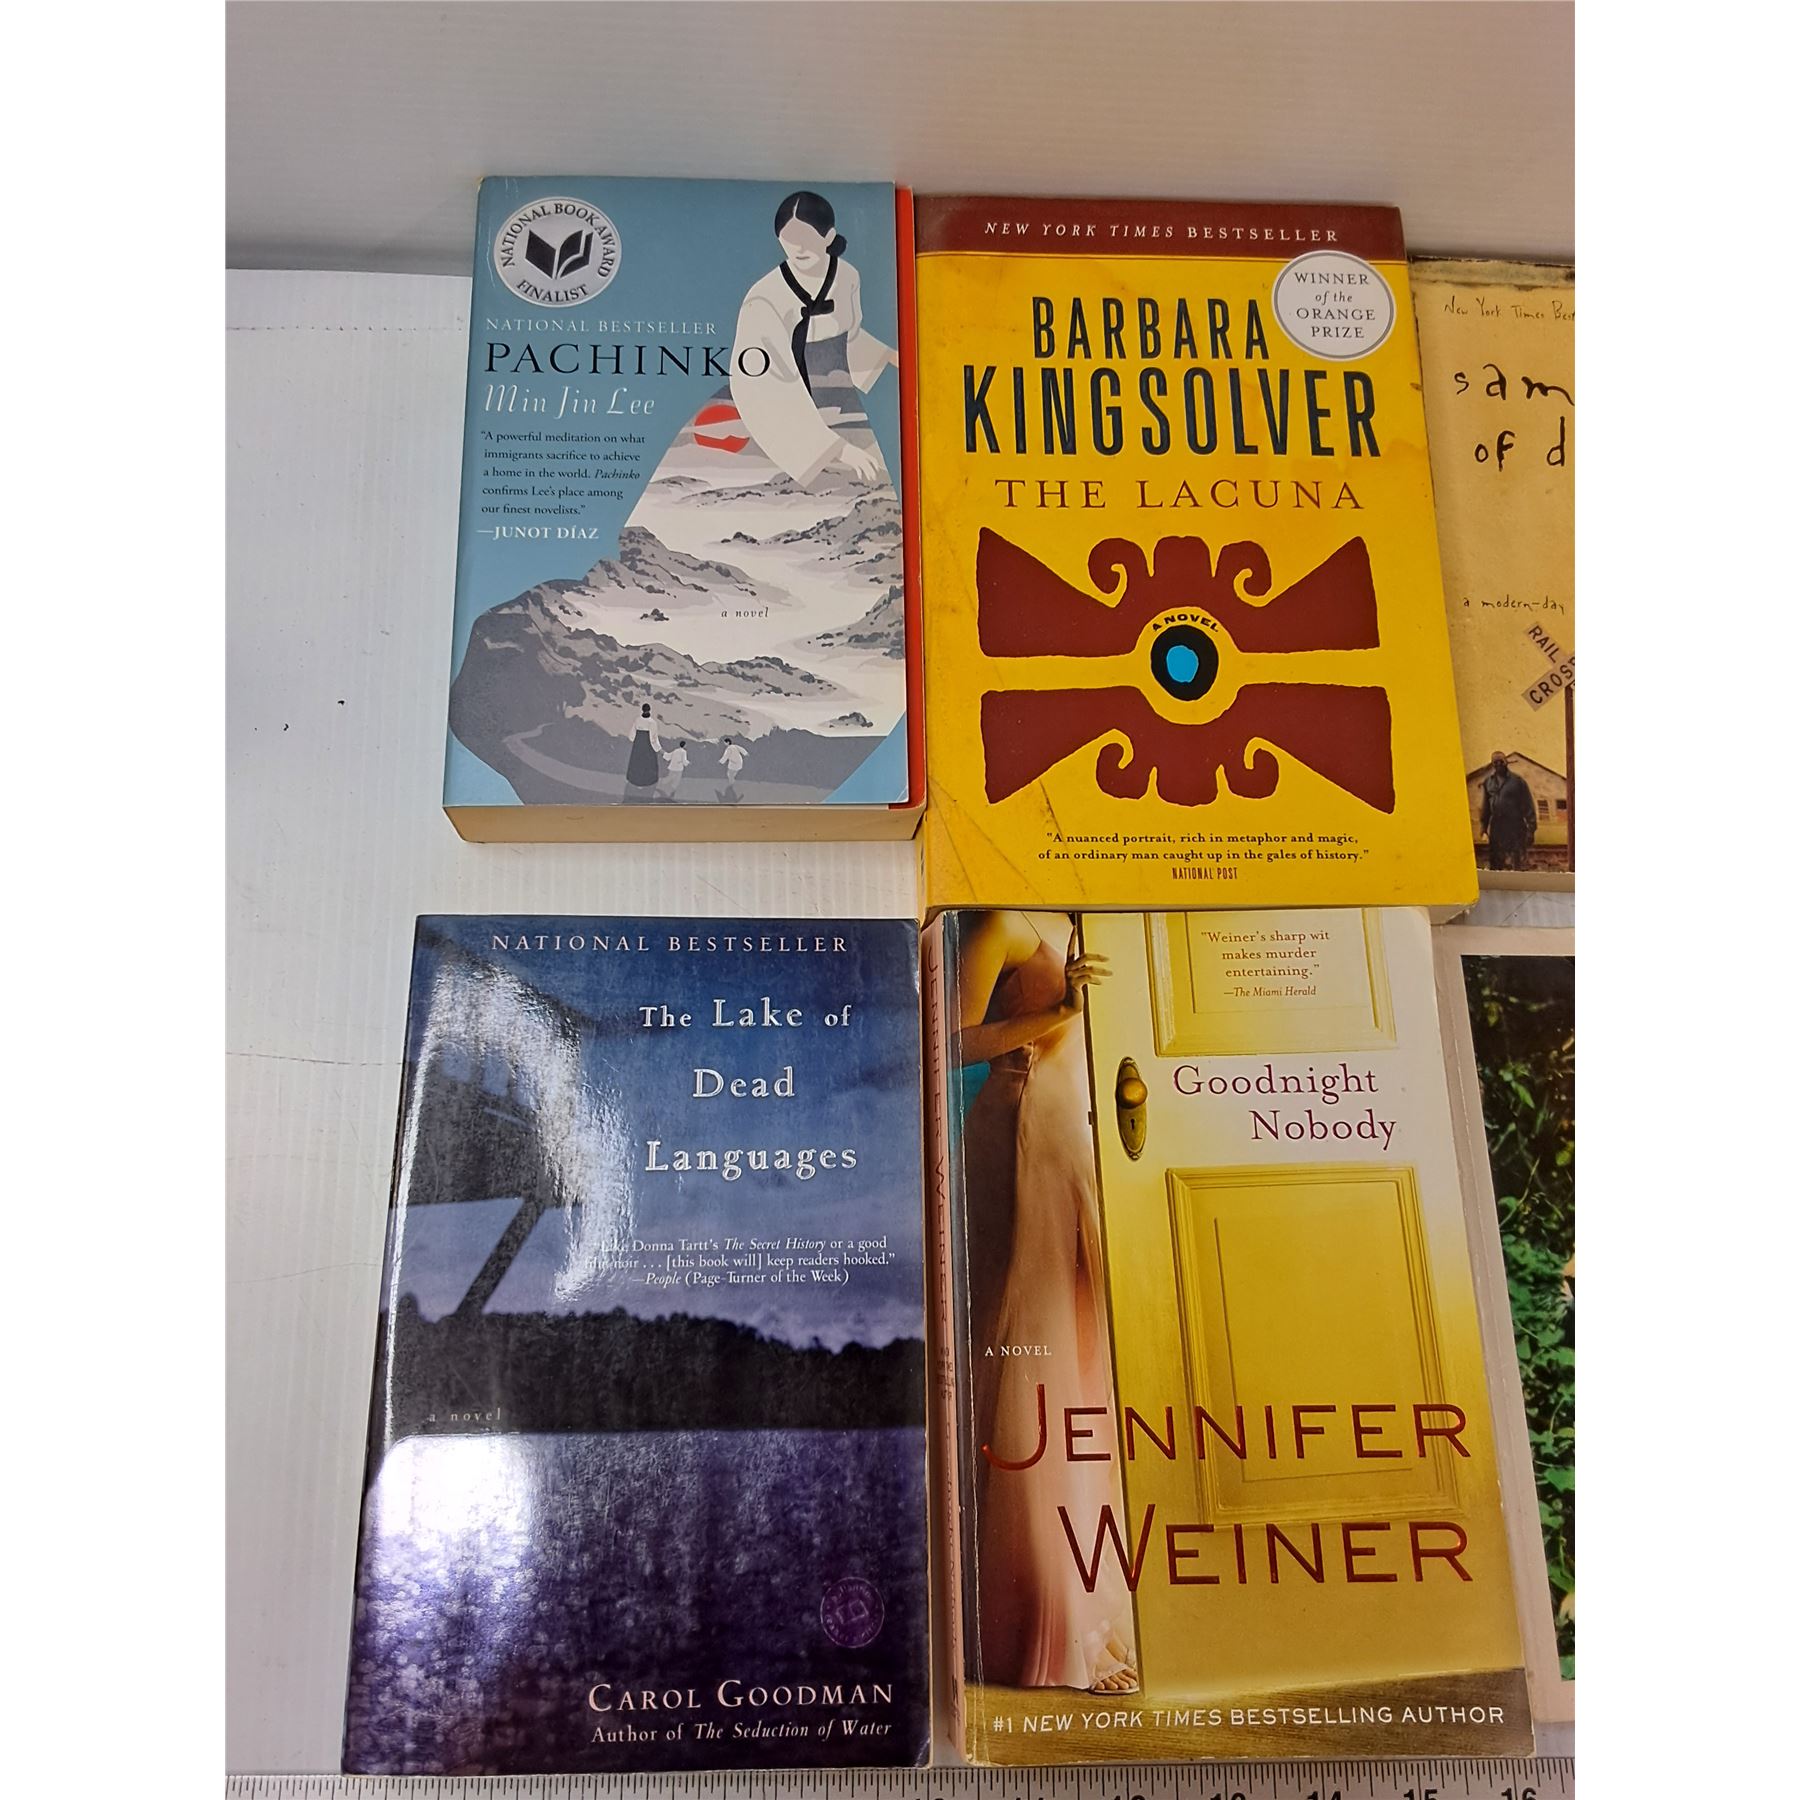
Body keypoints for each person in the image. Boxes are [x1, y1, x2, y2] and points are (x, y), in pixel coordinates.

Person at [951, 910, 1139, 1696]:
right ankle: (1034, 1615)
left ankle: (1090, 1605)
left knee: (1082, 1357)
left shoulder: (1097, 917)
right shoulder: (1002, 920)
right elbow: (952, 1042)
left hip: (1078, 1132)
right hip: (1019, 1129)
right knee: (1028, 1349)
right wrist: (1060, 1010)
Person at [728, 191, 899, 488]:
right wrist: (837, 449)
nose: (798, 248)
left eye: (807, 237)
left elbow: (851, 340)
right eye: (789, 238)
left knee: (876, 486)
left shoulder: (847, 276)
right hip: (779, 408)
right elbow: (761, 384)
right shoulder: (763, 298)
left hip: (840, 400)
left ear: (828, 236)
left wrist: (891, 357)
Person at [1479, 750, 1537, 871]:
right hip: (1496, 827)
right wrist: (1483, 827)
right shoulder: (1488, 782)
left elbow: (1528, 805)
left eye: (1501, 762)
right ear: (1492, 764)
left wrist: (1531, 829)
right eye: (1495, 762)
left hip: (1515, 826)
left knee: (1517, 860)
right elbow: (1486, 807)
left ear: (1506, 762)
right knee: (1496, 861)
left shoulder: (1518, 782)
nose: (1498, 765)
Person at [624, 702, 662, 797]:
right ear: (649, 711)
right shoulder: (652, 723)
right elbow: (653, 739)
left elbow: (631, 736)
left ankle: (635, 780)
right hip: (648, 747)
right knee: (647, 764)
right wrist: (658, 749)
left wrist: (637, 740)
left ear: (642, 710)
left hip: (638, 746)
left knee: (637, 762)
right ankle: (647, 781)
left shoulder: (637, 720)